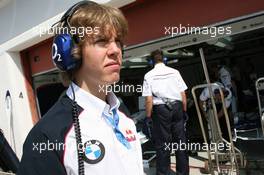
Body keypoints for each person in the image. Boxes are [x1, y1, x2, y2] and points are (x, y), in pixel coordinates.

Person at [17, 1, 144, 175]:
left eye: (118, 41)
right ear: (71, 53)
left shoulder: (121, 112)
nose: (116, 50)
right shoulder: (46, 135)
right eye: (102, 41)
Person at [142, 49, 189, 175]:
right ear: (164, 59)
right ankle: (183, 173)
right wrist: (184, 111)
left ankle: (163, 173)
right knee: (180, 142)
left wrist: (147, 117)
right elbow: (183, 94)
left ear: (152, 61)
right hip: (177, 107)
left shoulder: (148, 75)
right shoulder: (175, 72)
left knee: (163, 143)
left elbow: (148, 100)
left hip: (161, 109)